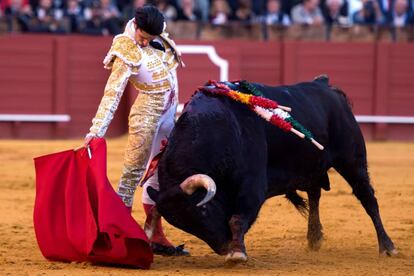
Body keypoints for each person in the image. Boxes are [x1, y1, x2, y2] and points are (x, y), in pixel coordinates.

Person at [83, 5, 188, 256]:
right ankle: (118, 236)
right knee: (132, 175)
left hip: (168, 112)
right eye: (142, 37)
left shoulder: (157, 32)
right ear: (136, 28)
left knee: (160, 173)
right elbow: (112, 93)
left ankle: (155, 235)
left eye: (149, 39)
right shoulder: (125, 47)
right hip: (146, 116)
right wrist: (96, 130)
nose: (144, 42)